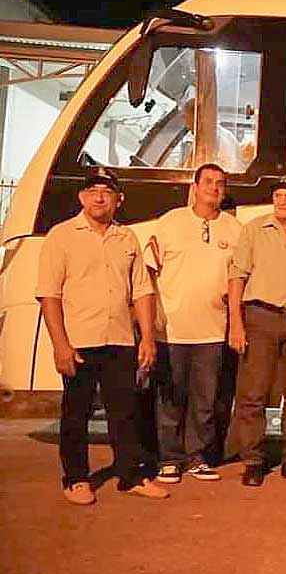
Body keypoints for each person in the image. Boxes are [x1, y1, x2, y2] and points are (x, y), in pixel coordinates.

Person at [36, 167, 169, 504]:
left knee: (124, 412)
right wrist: (60, 345)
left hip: (120, 339)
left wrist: (148, 339)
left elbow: (141, 291)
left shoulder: (127, 239)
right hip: (79, 341)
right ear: (81, 197)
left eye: (106, 192)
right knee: (76, 413)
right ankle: (76, 479)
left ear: (118, 200)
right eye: (92, 191)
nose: (99, 197)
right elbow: (49, 295)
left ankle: (129, 474)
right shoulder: (61, 236)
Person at [148, 163, 242, 484]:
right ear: (196, 186)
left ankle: (196, 457)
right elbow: (149, 271)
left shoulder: (234, 229)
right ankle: (169, 459)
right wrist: (148, 322)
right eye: (209, 182)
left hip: (213, 330)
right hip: (171, 330)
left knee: (205, 399)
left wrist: (235, 324)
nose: (214, 188)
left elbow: (236, 280)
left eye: (220, 184)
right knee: (170, 399)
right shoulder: (169, 223)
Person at [225, 173, 286, 487]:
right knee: (253, 393)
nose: (281, 201)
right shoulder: (255, 230)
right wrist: (236, 323)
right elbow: (237, 276)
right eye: (278, 195)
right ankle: (252, 459)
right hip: (260, 315)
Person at [179, 98, 250, 174]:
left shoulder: (208, 138)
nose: (185, 123)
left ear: (197, 116)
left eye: (185, 117)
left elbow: (195, 171)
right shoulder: (224, 133)